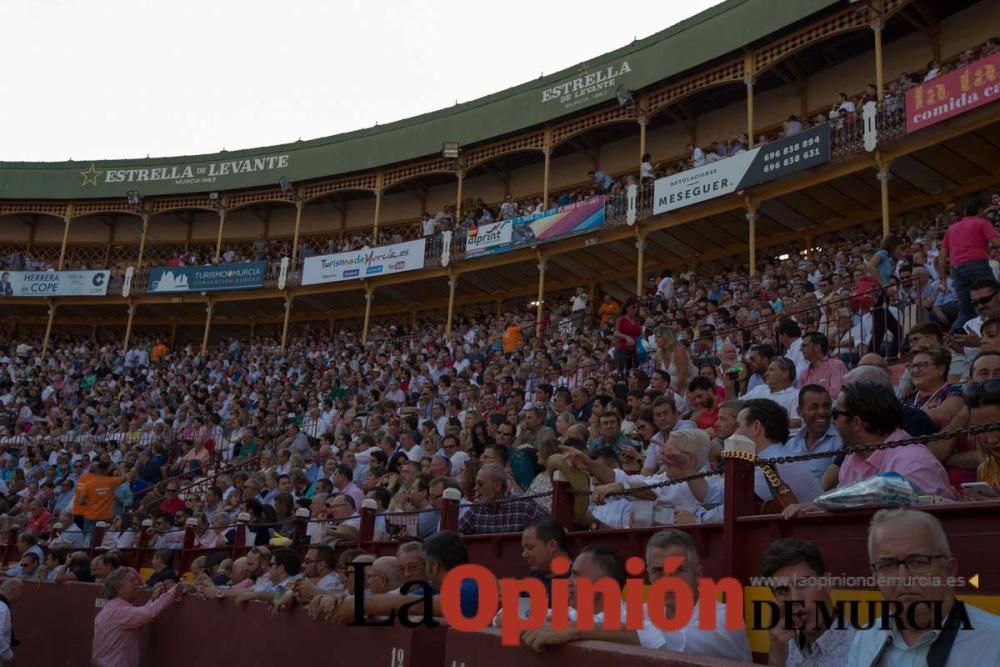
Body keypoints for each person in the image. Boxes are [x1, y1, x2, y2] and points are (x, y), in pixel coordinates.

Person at [848, 509, 1000, 665]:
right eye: (887, 565)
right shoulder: (866, 638)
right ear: (875, 576)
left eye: (919, 562)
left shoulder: (995, 643)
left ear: (949, 570)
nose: (903, 579)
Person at [760, 538, 854, 666]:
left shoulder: (861, 649)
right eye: (782, 591)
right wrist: (776, 660)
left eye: (803, 584)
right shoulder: (785, 645)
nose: (795, 599)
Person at [92, 567, 182, 667]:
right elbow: (149, 613)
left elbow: (143, 614)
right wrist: (173, 591)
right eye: (131, 580)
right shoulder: (120, 612)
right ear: (119, 588)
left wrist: (153, 598)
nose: (137, 583)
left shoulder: (112, 608)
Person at [938, 197, 1000, 333]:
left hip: (957, 270)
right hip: (976, 265)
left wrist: (942, 278)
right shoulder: (982, 222)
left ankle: (951, 340)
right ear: (980, 210)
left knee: (966, 311)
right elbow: (996, 242)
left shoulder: (952, 229)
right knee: (995, 297)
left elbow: (942, 256)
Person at [520, 517, 569, 603]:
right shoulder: (533, 578)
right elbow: (521, 614)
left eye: (530, 548)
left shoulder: (577, 581)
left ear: (552, 545)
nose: (524, 555)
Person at [0, 579, 23, 667]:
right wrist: (9, 655)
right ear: (14, 590)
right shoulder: (3, 608)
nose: (19, 598)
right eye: (20, 593)